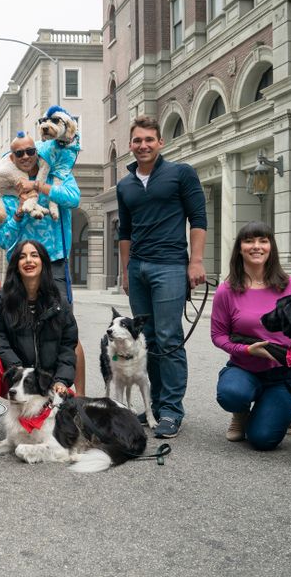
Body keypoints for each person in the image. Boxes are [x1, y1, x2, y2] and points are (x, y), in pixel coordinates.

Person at [116, 114, 207, 439]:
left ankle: (172, 410)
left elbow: (198, 218)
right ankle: (154, 405)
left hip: (170, 265)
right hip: (138, 268)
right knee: (148, 338)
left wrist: (195, 262)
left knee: (169, 337)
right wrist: (125, 270)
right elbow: (124, 231)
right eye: (137, 140)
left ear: (160, 142)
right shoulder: (125, 184)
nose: (143, 145)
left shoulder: (181, 174)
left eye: (149, 140)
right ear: (130, 145)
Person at [0, 133, 86, 395]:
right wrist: (20, 211)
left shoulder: (57, 172)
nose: (25, 157)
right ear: (11, 157)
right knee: (26, 333)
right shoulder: (6, 190)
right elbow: (4, 239)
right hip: (20, 269)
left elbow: (73, 199)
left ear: (38, 151)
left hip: (54, 263)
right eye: (18, 153)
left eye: (30, 151)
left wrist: (39, 187)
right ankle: (31, 395)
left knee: (69, 332)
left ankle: (78, 397)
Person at [210, 222, 291, 450]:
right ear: (239, 248)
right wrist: (246, 350)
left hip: (284, 374)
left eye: (263, 240)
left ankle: (286, 410)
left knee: (262, 440)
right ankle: (241, 412)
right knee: (231, 394)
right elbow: (218, 335)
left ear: (271, 246)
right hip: (244, 368)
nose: (257, 246)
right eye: (249, 241)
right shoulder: (227, 290)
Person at [0, 240, 78, 450]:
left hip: (44, 382)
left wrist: (61, 380)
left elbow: (68, 345)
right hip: (12, 378)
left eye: (34, 255)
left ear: (43, 263)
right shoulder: (0, 300)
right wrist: (16, 368)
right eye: (22, 256)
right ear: (15, 264)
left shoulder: (59, 302)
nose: (28, 260)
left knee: (73, 412)